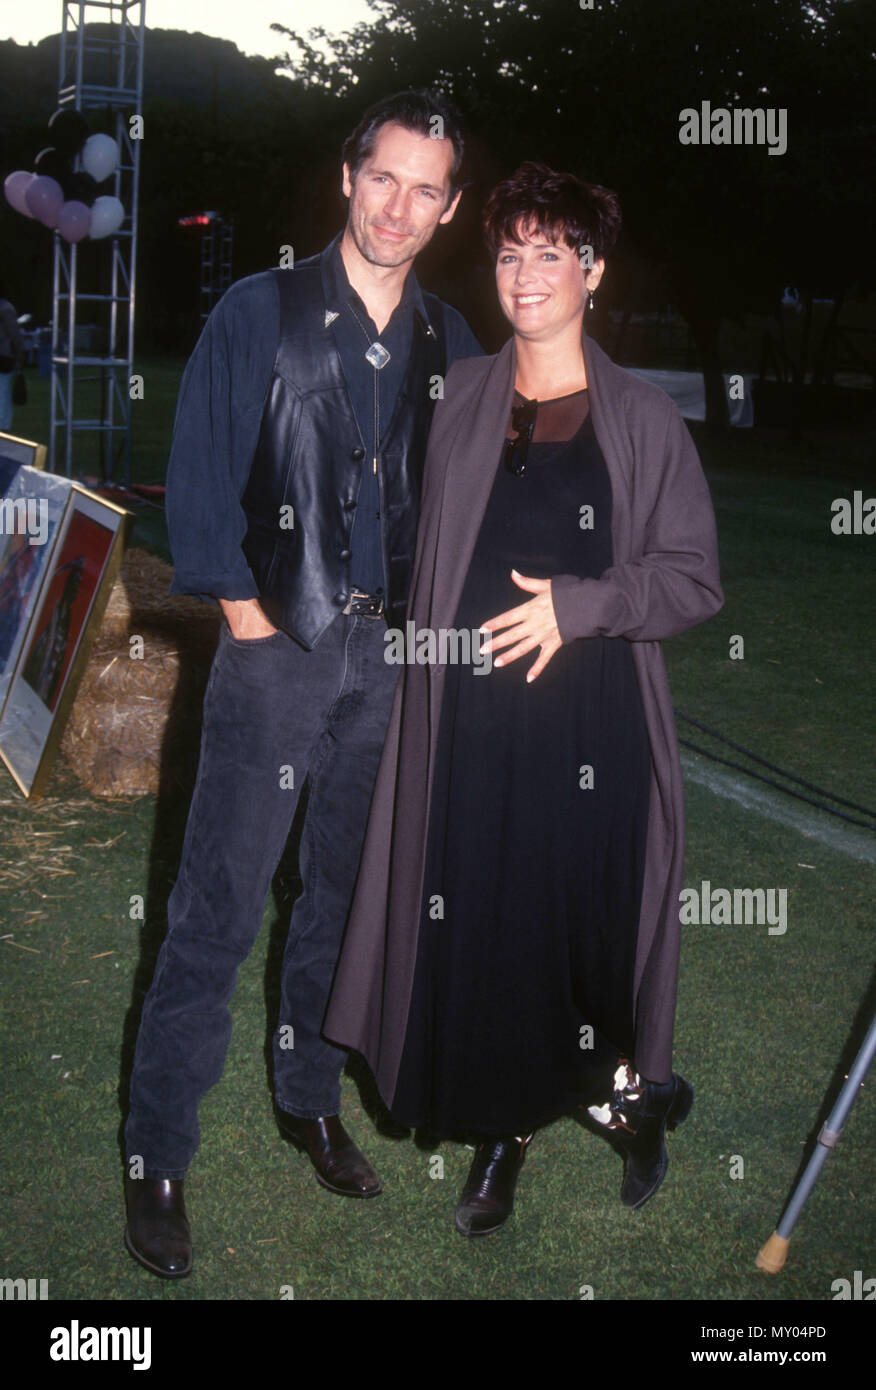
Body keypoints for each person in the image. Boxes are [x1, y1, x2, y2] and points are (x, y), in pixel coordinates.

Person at [324, 163, 724, 1236]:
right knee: (485, 927)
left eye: (550, 250)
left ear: (591, 269)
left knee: (577, 936)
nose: (525, 271)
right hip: (467, 723)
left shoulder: (640, 416)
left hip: (588, 731)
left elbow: (691, 577)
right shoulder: (463, 405)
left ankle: (633, 1103)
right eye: (508, 251)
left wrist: (579, 606)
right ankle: (503, 1135)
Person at [123, 89, 481, 1278]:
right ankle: (157, 1155)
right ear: (348, 176)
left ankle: (306, 1096)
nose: (400, 205)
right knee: (217, 906)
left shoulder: (450, 344)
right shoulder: (259, 309)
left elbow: (473, 505)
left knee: (340, 899)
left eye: (426, 188)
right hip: (277, 653)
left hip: (390, 666)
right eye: (384, 176)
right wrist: (246, 618)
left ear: (450, 206)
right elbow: (201, 474)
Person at [0, 290, 24, 432]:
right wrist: (20, 353)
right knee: (4, 392)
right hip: (4, 355)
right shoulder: (6, 308)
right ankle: (3, 427)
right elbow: (14, 334)